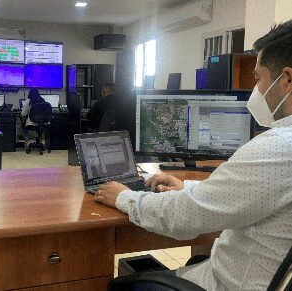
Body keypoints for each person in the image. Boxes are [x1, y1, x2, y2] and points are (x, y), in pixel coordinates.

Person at [93, 19, 292, 291]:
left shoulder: (278, 147)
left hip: (230, 283)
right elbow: (257, 194)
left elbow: (185, 218)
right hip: (253, 274)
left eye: (258, 78)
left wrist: (124, 197)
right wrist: (187, 186)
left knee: (119, 286)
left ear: (287, 80)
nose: (255, 89)